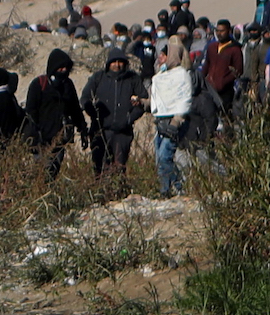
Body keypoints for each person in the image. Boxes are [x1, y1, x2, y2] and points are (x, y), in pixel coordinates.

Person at [80, 48, 148, 177]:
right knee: (99, 169)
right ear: (108, 63)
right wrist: (94, 113)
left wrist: (129, 118)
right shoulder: (98, 77)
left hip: (123, 133)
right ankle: (101, 195)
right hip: (100, 131)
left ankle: (118, 195)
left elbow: (143, 102)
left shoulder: (132, 79)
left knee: (119, 168)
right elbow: (84, 99)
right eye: (114, 62)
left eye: (120, 61)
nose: (117, 65)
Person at [24, 49, 85, 180]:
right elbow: (30, 112)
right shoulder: (39, 85)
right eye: (60, 68)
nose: (63, 71)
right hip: (41, 139)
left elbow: (75, 109)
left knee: (53, 171)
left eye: (66, 68)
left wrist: (83, 129)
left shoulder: (67, 85)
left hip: (60, 139)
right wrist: (34, 136)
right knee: (41, 172)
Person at [149, 38, 193, 196]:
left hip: (175, 121)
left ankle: (169, 190)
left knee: (164, 156)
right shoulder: (161, 75)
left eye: (164, 55)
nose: (160, 58)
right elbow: (159, 100)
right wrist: (142, 103)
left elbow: (185, 99)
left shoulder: (182, 75)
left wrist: (176, 120)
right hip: (161, 121)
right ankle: (173, 187)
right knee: (159, 159)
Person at [202, 19, 244, 119]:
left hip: (226, 90)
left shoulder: (235, 49)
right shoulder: (212, 47)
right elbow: (207, 65)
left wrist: (224, 81)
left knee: (225, 116)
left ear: (229, 31)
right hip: (210, 88)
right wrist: (203, 79)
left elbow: (238, 70)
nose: (219, 33)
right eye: (217, 31)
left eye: (222, 31)